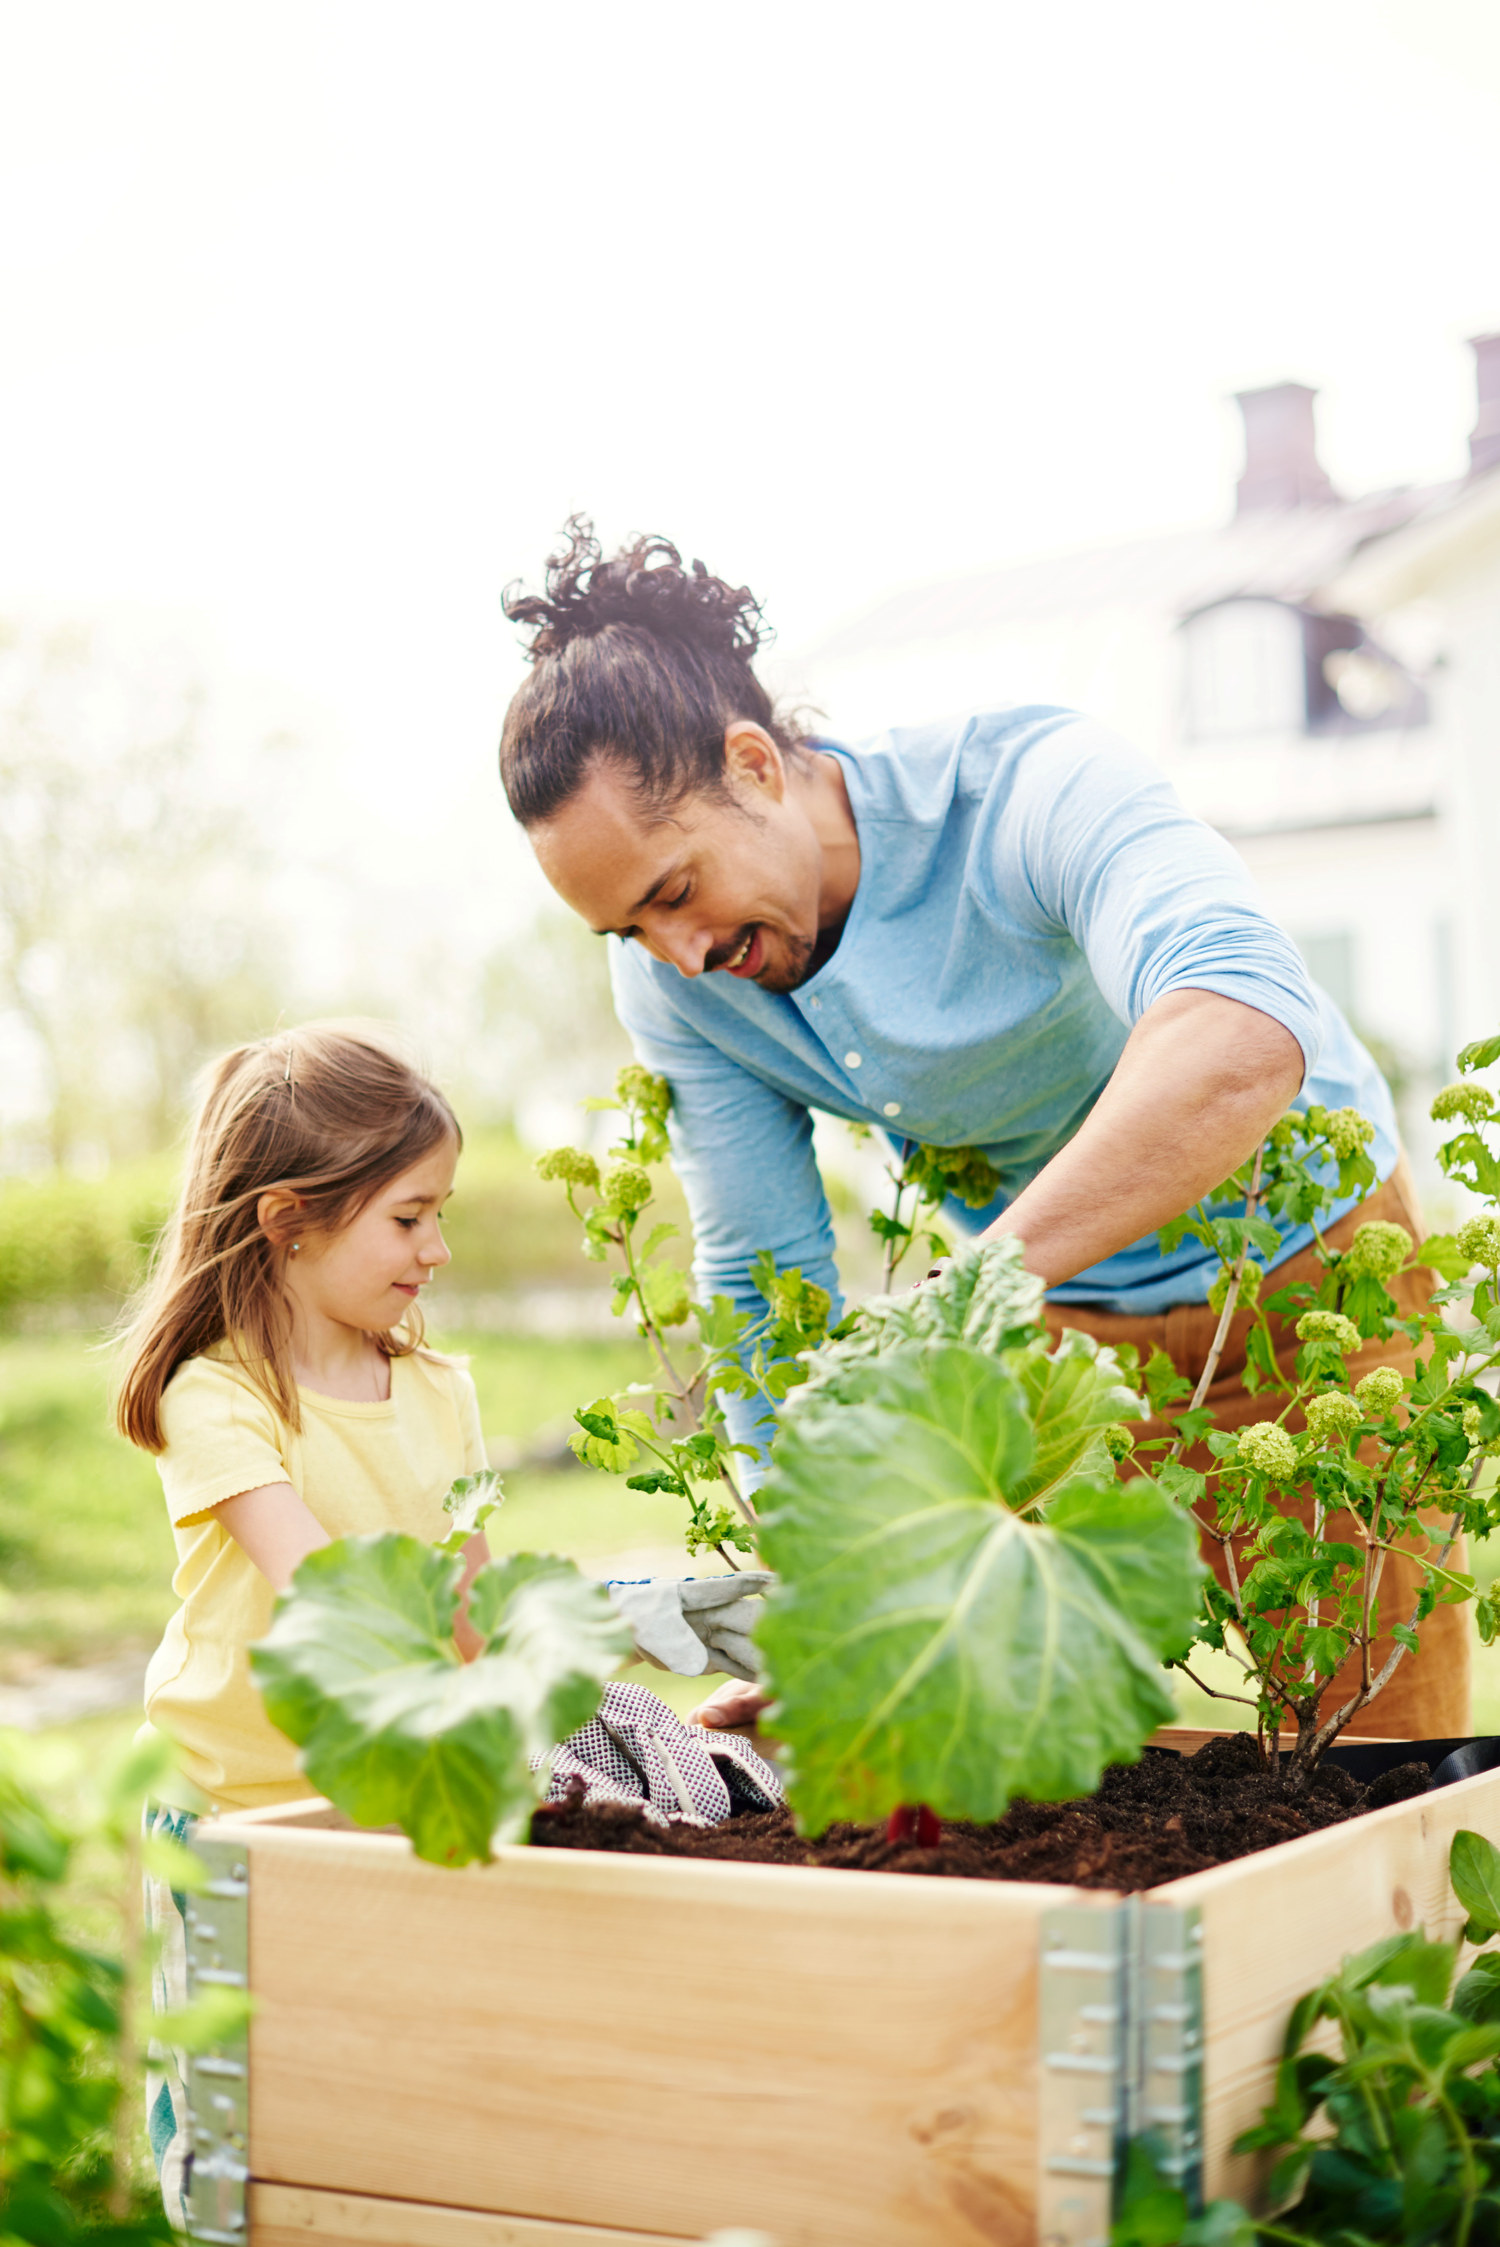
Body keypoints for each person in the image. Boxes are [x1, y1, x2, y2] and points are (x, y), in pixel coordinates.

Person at [497, 518, 1467, 1744]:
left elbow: (1242, 1033)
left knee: (1373, 1762)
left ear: (753, 764)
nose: (680, 956)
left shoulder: (1027, 792)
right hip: (1056, 1349)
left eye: (676, 892)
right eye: (628, 932)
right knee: (1009, 1748)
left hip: (1311, 1289)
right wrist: (826, 1574)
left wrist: (979, 1284)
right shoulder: (682, 983)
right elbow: (758, 1267)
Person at [116, 1021, 488, 2219]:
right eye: (408, 1217)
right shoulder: (216, 1397)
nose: (437, 1249)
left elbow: (476, 1604)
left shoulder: (444, 1390)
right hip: (227, 1815)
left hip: (376, 1800)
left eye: (440, 1213)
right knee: (232, 2121)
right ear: (288, 1222)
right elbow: (325, 1599)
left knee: (367, 2094)